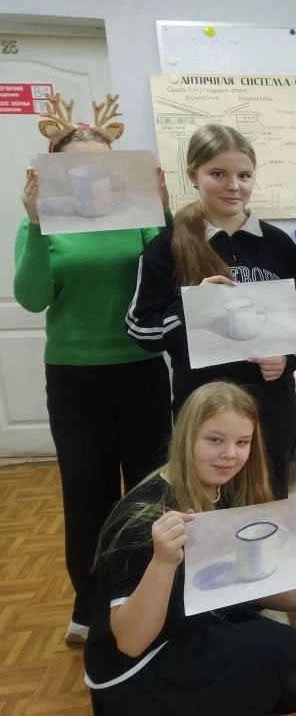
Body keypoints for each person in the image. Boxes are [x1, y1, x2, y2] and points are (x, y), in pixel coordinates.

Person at [84, 381, 296, 716]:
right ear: (186, 438)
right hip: (141, 664)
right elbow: (131, 642)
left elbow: (240, 578)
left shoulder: (225, 489)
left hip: (193, 624)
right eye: (215, 440)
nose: (230, 454)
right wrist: (162, 562)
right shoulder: (142, 519)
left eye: (242, 442)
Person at [14, 92, 172, 643]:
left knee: (150, 490)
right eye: (76, 167)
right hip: (75, 376)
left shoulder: (136, 215)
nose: (91, 176)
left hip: (141, 368)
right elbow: (32, 298)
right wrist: (36, 224)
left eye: (103, 165)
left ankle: (146, 595)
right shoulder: (44, 223)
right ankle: (89, 603)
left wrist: (162, 211)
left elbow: (166, 274)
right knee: (87, 494)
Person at [127, 124, 296, 500]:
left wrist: (287, 358)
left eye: (244, 176)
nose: (233, 186)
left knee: (269, 501)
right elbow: (140, 329)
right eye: (218, 174)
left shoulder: (279, 246)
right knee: (206, 508)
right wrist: (191, 306)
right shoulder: (167, 248)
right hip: (202, 407)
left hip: (269, 405)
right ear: (193, 175)